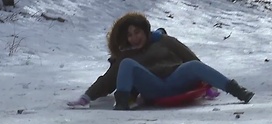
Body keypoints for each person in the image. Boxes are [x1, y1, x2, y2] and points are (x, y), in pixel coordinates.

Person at [67, 12, 254, 110]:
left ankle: (238, 91)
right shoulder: (126, 55)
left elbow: (192, 60)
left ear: (145, 31)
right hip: (153, 87)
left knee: (193, 65)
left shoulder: (164, 41)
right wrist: (86, 97)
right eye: (129, 35)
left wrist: (206, 85)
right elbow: (107, 80)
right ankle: (122, 103)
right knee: (126, 64)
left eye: (137, 32)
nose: (134, 38)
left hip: (176, 78)